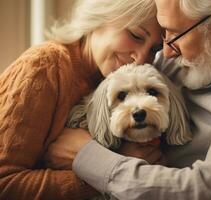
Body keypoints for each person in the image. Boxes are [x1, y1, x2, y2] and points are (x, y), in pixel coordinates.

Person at [46, 0, 211, 199]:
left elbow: (207, 191)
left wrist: (88, 156)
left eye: (174, 34)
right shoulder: (187, 54)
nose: (164, 53)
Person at [0, 0, 162, 199]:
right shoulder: (43, 67)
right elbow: (5, 184)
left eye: (155, 49)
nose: (141, 59)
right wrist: (110, 172)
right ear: (101, 16)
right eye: (136, 35)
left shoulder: (117, 82)